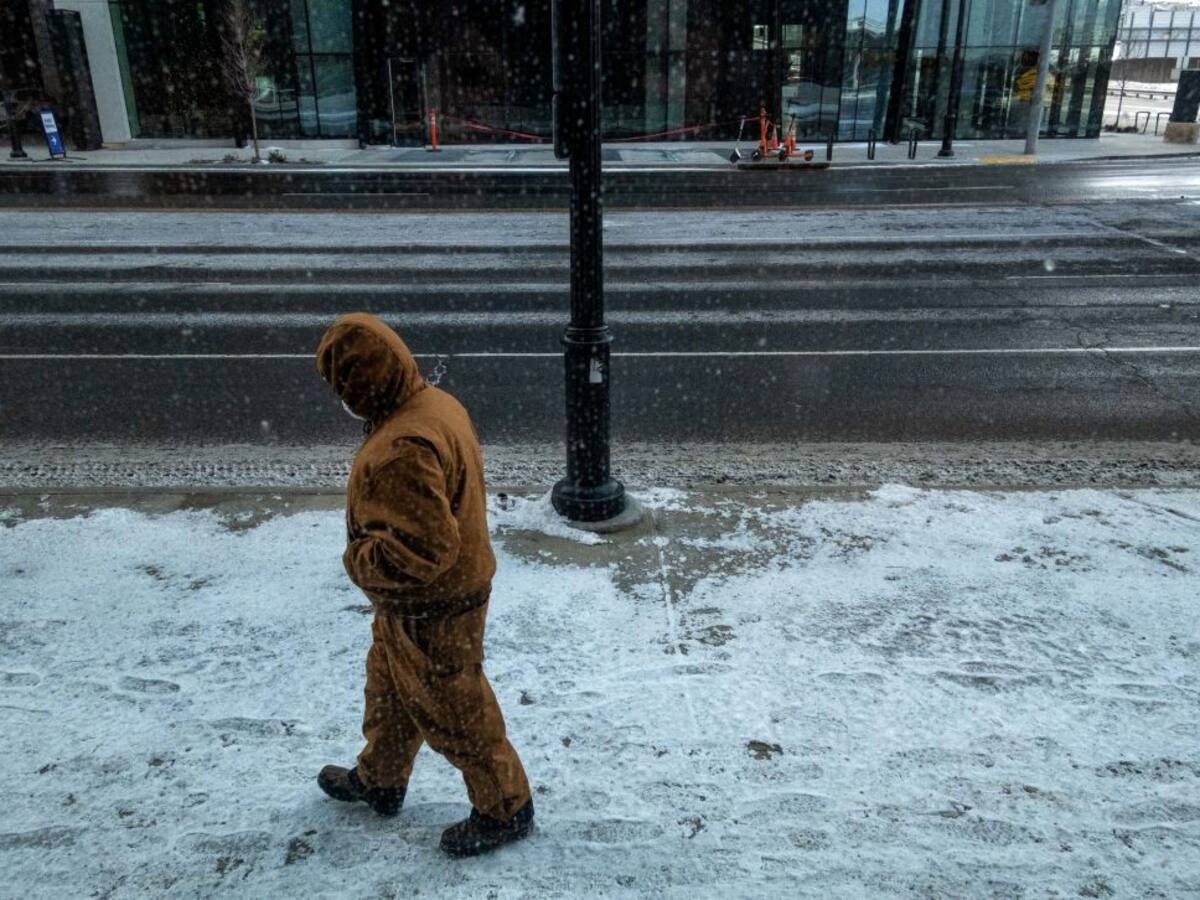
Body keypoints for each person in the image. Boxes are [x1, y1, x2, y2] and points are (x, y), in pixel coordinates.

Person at [314, 312, 533, 857]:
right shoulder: (431, 403)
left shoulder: (401, 447)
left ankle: (505, 808)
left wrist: (359, 560)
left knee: (457, 710)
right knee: (388, 692)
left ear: (363, 387)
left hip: (433, 608)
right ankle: (380, 780)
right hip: (422, 604)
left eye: (342, 386)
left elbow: (423, 552)